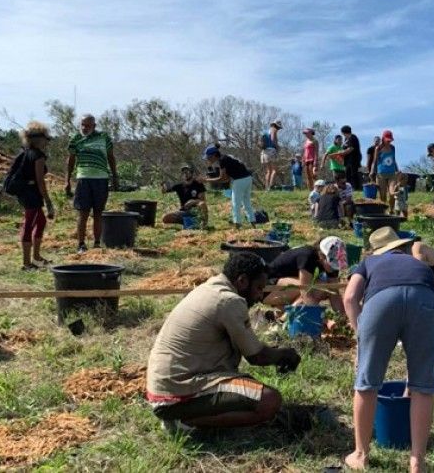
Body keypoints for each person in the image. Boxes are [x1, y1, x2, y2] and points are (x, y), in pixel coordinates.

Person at [146, 252, 302, 433]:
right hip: (177, 393)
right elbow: (256, 356)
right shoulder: (229, 301)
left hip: (167, 387)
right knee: (269, 400)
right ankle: (185, 422)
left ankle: (188, 416)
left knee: (248, 385)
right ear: (242, 281)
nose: (260, 296)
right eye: (259, 287)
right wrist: (285, 354)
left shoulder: (210, 287)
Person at [343, 229, 434, 473]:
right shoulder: (415, 261)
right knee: (423, 386)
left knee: (367, 382)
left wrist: (361, 334)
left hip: (381, 302)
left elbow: (349, 298)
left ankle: (360, 454)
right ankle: (417, 461)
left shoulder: (369, 262)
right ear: (402, 247)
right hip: (425, 300)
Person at [65, 114, 119, 254]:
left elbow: (110, 157)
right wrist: (67, 180)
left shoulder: (104, 138)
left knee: (98, 213)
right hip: (84, 178)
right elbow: (71, 160)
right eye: (82, 124)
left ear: (94, 126)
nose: (84, 128)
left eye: (88, 125)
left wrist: (115, 175)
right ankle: (81, 244)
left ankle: (96, 243)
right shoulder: (75, 139)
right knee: (83, 213)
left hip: (101, 179)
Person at [263, 237, 346, 313]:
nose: (334, 267)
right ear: (321, 256)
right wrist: (323, 318)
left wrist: (343, 317)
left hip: (286, 288)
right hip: (267, 288)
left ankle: (281, 313)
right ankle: (290, 315)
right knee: (320, 289)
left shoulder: (331, 264)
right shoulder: (307, 257)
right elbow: (306, 294)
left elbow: (334, 293)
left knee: (326, 289)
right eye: (332, 263)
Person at [14, 121, 55, 270]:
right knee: (29, 223)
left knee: (41, 221)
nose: (47, 142)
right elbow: (40, 181)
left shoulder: (25, 152)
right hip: (31, 194)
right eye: (46, 139)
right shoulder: (38, 156)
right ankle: (26, 263)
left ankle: (36, 256)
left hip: (26, 192)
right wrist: (48, 202)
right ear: (40, 139)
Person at [203, 144, 256, 229]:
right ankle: (253, 223)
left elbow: (221, 178)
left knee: (235, 203)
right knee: (246, 202)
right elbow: (226, 179)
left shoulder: (222, 161)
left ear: (213, 155)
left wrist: (206, 180)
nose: (208, 160)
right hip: (248, 178)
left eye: (208, 157)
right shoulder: (226, 157)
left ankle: (237, 225)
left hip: (239, 180)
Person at [370, 130, 398, 207]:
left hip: (392, 174)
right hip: (381, 174)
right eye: (387, 140)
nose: (389, 142)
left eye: (390, 140)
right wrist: (372, 172)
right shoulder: (378, 149)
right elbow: (374, 161)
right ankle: (383, 211)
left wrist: (397, 170)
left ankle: (391, 210)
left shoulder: (393, 148)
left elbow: (394, 160)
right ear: (383, 139)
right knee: (382, 195)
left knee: (392, 192)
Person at [259, 120, 281, 190]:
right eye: (279, 128)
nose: (278, 129)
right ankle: (271, 186)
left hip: (264, 152)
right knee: (275, 170)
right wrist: (277, 147)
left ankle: (266, 187)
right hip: (271, 151)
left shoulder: (265, 131)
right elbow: (273, 139)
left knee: (269, 171)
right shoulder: (273, 130)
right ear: (276, 126)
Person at [340, 125, 362, 190]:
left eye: (343, 132)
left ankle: (356, 187)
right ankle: (348, 187)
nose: (343, 134)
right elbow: (344, 148)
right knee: (347, 174)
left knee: (353, 173)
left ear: (345, 132)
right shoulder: (346, 139)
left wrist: (342, 153)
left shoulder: (353, 137)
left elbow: (351, 149)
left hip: (354, 159)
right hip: (347, 160)